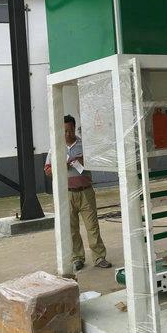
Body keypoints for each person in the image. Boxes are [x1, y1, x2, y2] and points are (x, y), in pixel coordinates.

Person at [45, 115, 112, 272]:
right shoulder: (55, 148)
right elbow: (47, 170)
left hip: (85, 192)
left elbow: (96, 162)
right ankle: (77, 258)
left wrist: (85, 161)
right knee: (72, 228)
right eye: (65, 131)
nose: (68, 134)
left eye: (70, 130)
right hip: (67, 194)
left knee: (92, 226)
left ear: (75, 128)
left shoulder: (84, 145)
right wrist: (61, 166)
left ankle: (99, 257)